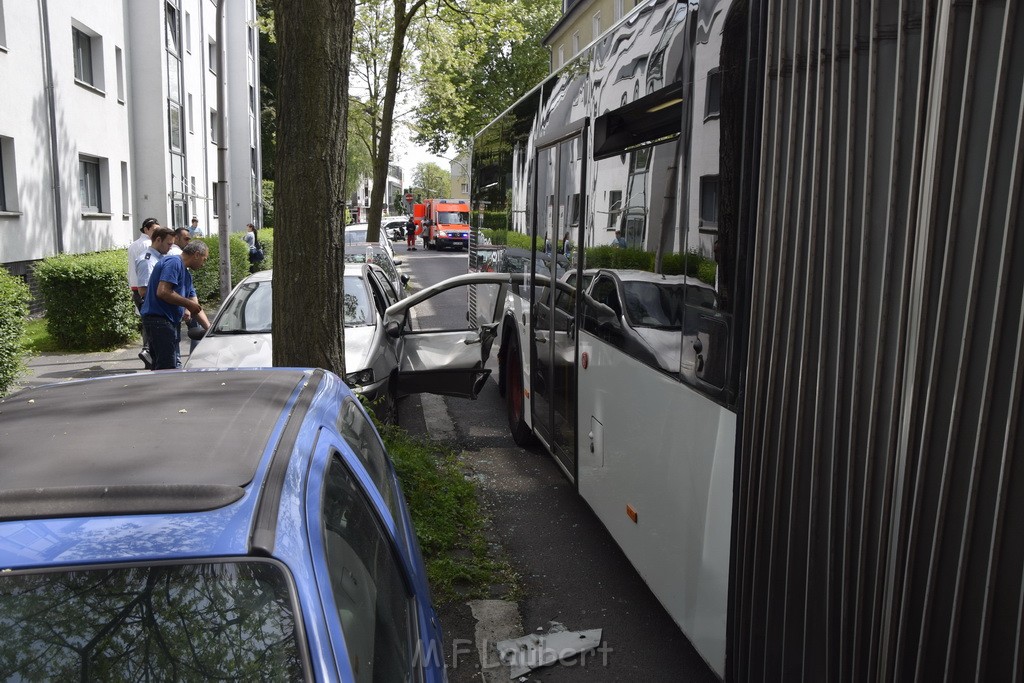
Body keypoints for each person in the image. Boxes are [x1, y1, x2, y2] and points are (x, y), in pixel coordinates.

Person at [140, 242, 211, 370]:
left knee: (163, 366)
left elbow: (196, 306)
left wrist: (209, 329)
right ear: (196, 255)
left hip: (167, 323)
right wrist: (187, 304)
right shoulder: (174, 262)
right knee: (167, 368)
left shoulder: (187, 275)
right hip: (159, 321)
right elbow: (163, 291)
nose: (203, 264)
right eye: (203, 259)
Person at [128, 217, 160, 368]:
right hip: (146, 289)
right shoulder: (148, 245)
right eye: (154, 229)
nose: (156, 232)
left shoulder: (133, 245)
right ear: (146, 229)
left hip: (136, 288)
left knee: (146, 321)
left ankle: (148, 351)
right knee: (151, 321)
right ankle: (148, 351)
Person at [134, 227, 176, 300]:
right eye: (169, 244)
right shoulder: (147, 261)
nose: (171, 248)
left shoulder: (161, 257)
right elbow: (143, 291)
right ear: (158, 240)